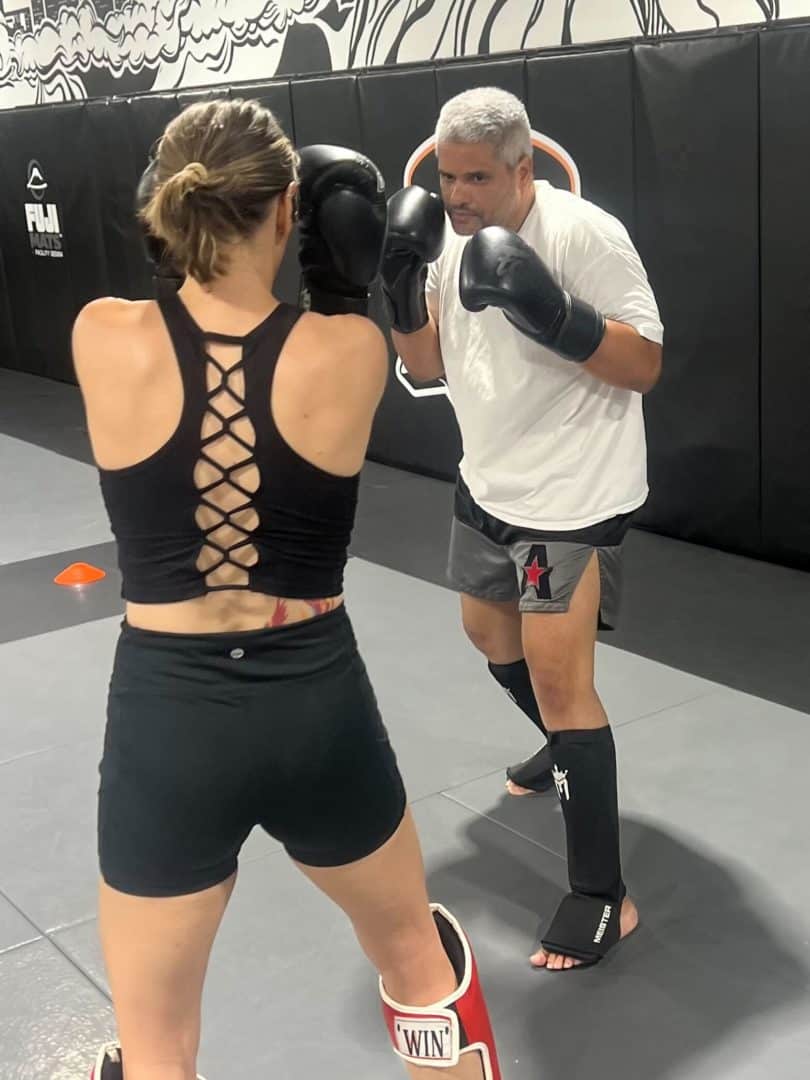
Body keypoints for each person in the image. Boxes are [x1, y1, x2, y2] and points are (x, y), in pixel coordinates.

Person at [73, 98, 501, 1080]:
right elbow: (341, 322)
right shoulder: (350, 354)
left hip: (168, 718)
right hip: (313, 701)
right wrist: (347, 273)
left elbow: (172, 309)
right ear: (290, 213)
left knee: (155, 1044)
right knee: (415, 963)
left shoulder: (103, 335)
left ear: (167, 207)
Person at [382, 86, 664, 973]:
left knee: (559, 675)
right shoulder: (444, 239)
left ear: (522, 168)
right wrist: (399, 283)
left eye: (478, 178)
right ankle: (558, 739)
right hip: (489, 480)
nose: (459, 195)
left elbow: (645, 363)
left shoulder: (587, 234)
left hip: (570, 497)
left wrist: (556, 314)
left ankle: (601, 895)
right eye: (449, 176)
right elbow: (424, 367)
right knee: (484, 634)